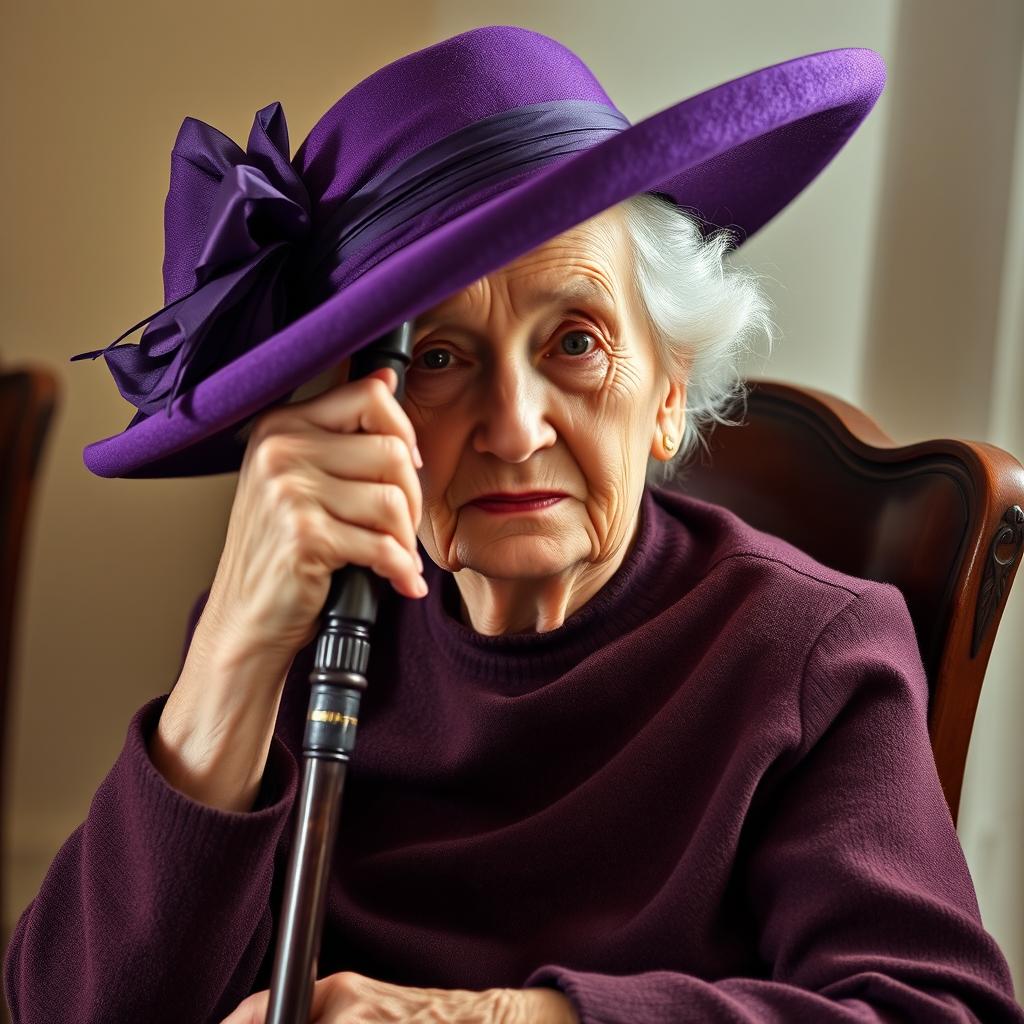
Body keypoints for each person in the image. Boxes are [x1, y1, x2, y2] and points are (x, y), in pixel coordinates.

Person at [7, 25, 1024, 1024]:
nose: (514, 426)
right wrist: (230, 646)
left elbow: (932, 1009)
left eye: (575, 341)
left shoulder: (806, 651)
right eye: (441, 357)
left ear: (666, 391)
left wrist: (489, 1019)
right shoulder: (298, 623)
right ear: (353, 408)